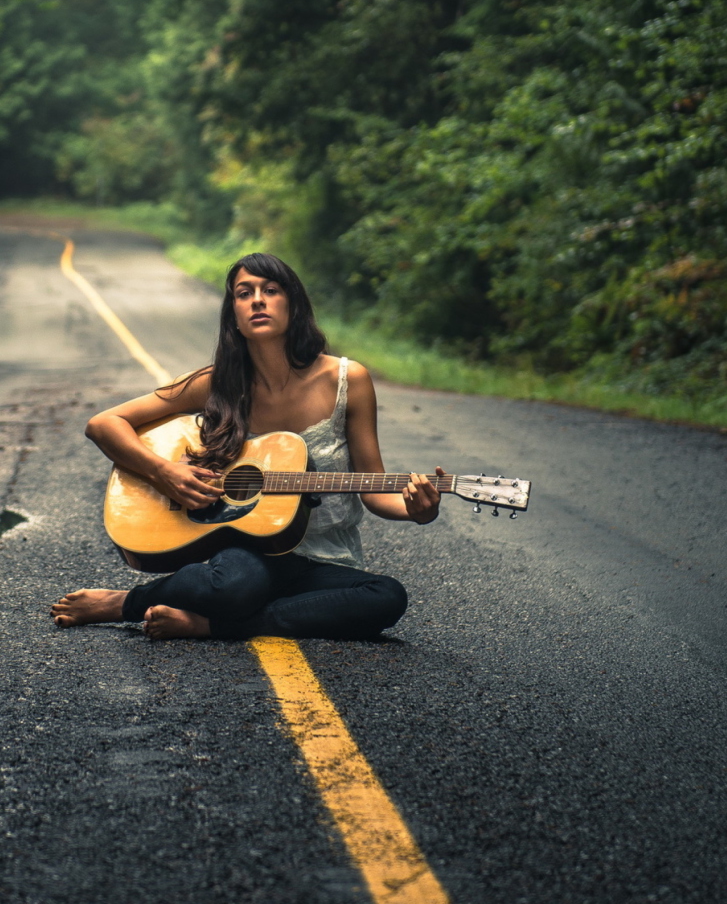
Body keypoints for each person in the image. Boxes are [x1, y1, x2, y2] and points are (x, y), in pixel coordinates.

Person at [51, 253, 441, 641]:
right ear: (233, 314)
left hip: (324, 560)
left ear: (293, 305)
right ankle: (126, 603)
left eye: (270, 290)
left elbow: (373, 489)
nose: (257, 300)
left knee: (386, 597)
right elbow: (104, 424)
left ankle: (213, 625)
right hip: (249, 555)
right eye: (244, 293)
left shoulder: (346, 380)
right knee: (232, 584)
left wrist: (416, 510)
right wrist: (164, 472)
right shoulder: (216, 382)